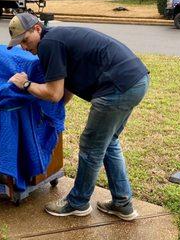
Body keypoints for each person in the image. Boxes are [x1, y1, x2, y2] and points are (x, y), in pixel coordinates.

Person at [8, 12, 149, 220]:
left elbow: (53, 93)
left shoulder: (48, 45)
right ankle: (122, 203)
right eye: (19, 43)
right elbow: (67, 87)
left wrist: (26, 84)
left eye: (25, 40)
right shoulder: (58, 39)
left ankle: (78, 203)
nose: (24, 47)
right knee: (109, 142)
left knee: (91, 147)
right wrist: (56, 111)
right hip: (136, 80)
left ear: (37, 29)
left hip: (117, 88)